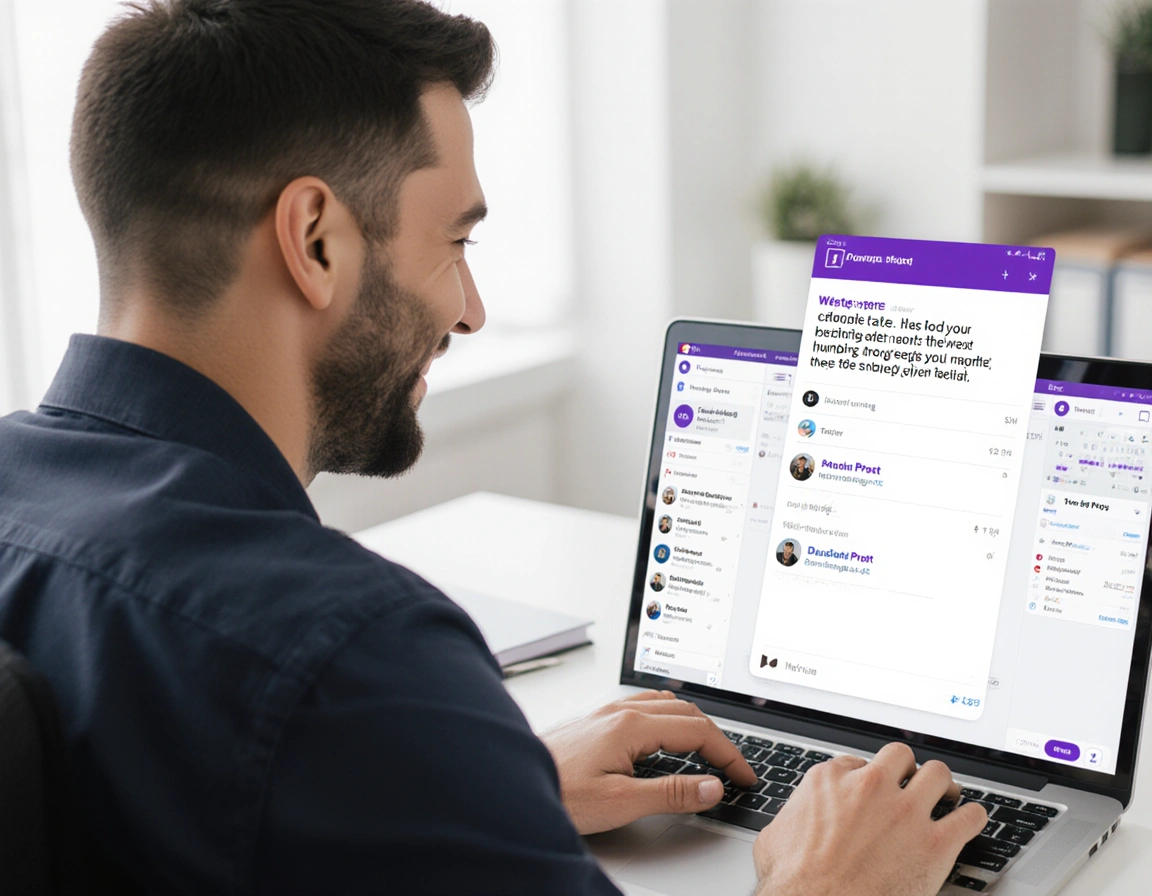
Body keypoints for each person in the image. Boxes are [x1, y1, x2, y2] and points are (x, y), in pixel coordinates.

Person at [0, 2, 984, 894]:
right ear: (315, 239)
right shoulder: (351, 655)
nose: (471, 310)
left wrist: (461, 791)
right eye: (457, 240)